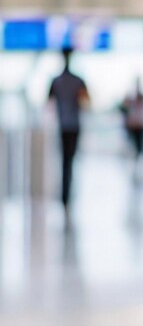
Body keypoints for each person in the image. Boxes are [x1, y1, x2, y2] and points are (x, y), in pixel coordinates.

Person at [48, 46, 90, 214]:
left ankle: (65, 195)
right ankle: (67, 194)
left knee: (65, 160)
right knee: (70, 160)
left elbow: (49, 102)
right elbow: (86, 102)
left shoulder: (56, 81)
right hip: (73, 125)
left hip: (63, 125)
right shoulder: (78, 81)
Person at [120, 77, 143, 161]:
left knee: (139, 148)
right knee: (131, 146)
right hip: (132, 126)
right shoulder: (130, 98)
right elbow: (124, 110)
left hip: (140, 126)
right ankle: (132, 160)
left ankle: (137, 161)